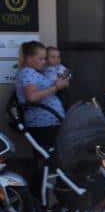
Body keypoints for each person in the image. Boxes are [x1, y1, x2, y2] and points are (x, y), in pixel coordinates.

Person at [14, 41, 68, 202]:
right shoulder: (27, 73)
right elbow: (31, 97)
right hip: (43, 125)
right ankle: (39, 200)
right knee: (46, 162)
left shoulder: (36, 72)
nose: (45, 62)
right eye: (41, 58)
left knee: (50, 162)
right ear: (29, 58)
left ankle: (45, 200)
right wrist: (56, 87)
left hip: (50, 123)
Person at [43, 45, 71, 109]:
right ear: (46, 58)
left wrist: (62, 77)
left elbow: (68, 72)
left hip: (59, 90)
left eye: (58, 57)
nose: (56, 59)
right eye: (53, 57)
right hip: (49, 90)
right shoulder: (44, 68)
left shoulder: (59, 67)